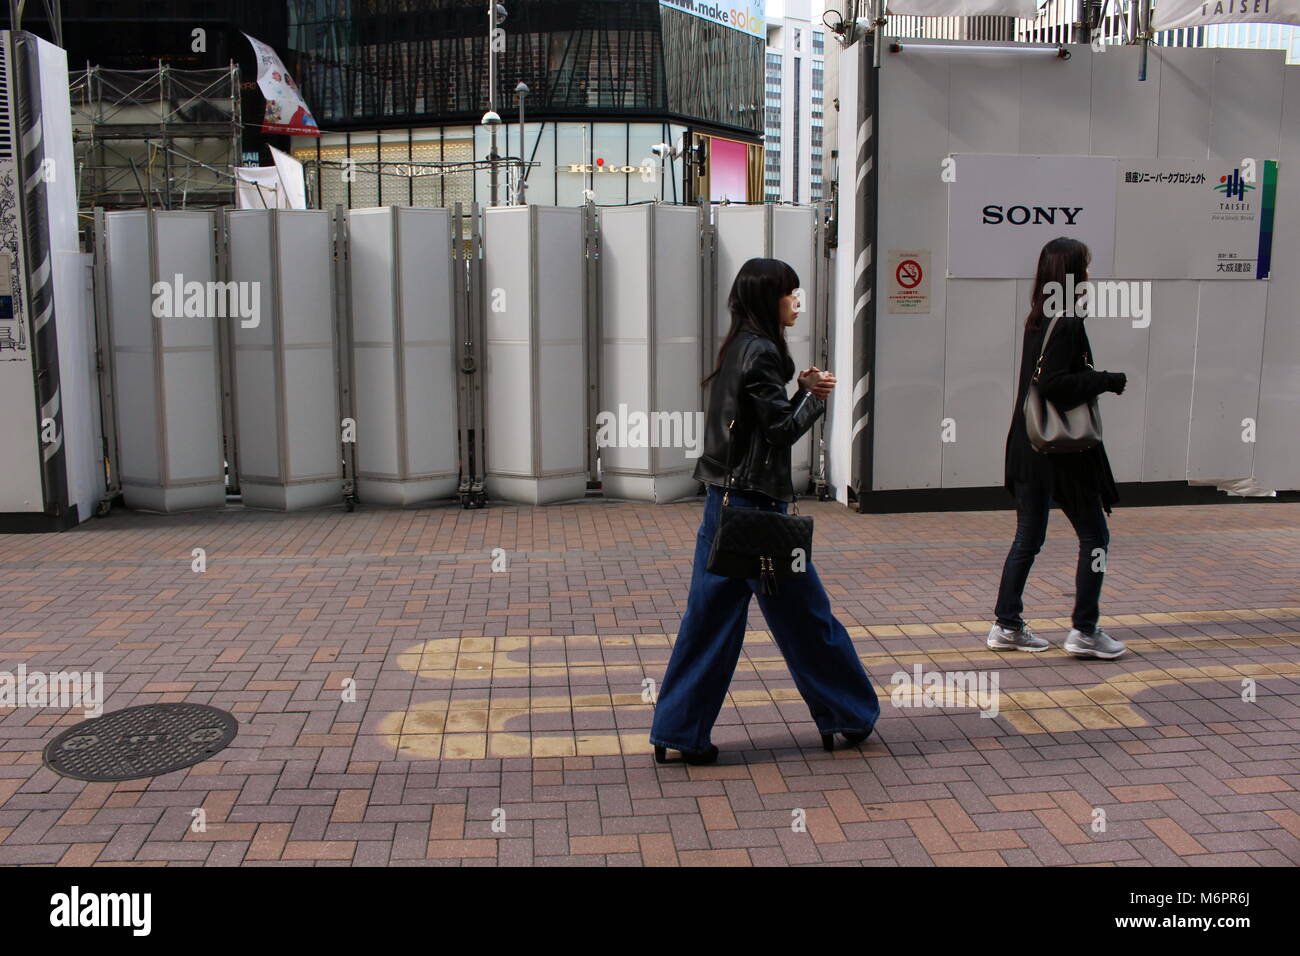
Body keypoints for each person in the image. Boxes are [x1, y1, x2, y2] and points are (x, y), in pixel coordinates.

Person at [649, 257, 881, 765]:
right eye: (789, 294)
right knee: (806, 617)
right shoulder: (763, 354)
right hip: (759, 513)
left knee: (709, 622)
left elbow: (758, 425)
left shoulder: (741, 346)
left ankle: (679, 732)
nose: (796, 302)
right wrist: (815, 396)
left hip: (725, 506)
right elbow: (781, 432)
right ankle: (850, 715)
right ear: (765, 299)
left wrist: (798, 390)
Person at [990, 237, 1128, 660]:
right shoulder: (1067, 321)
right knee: (1096, 537)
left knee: (1028, 539)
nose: (1089, 273)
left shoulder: (1039, 317)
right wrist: (1106, 379)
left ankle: (1007, 624)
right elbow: (1053, 385)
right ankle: (1085, 630)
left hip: (1027, 446)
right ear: (1073, 273)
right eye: (1085, 266)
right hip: (1060, 455)